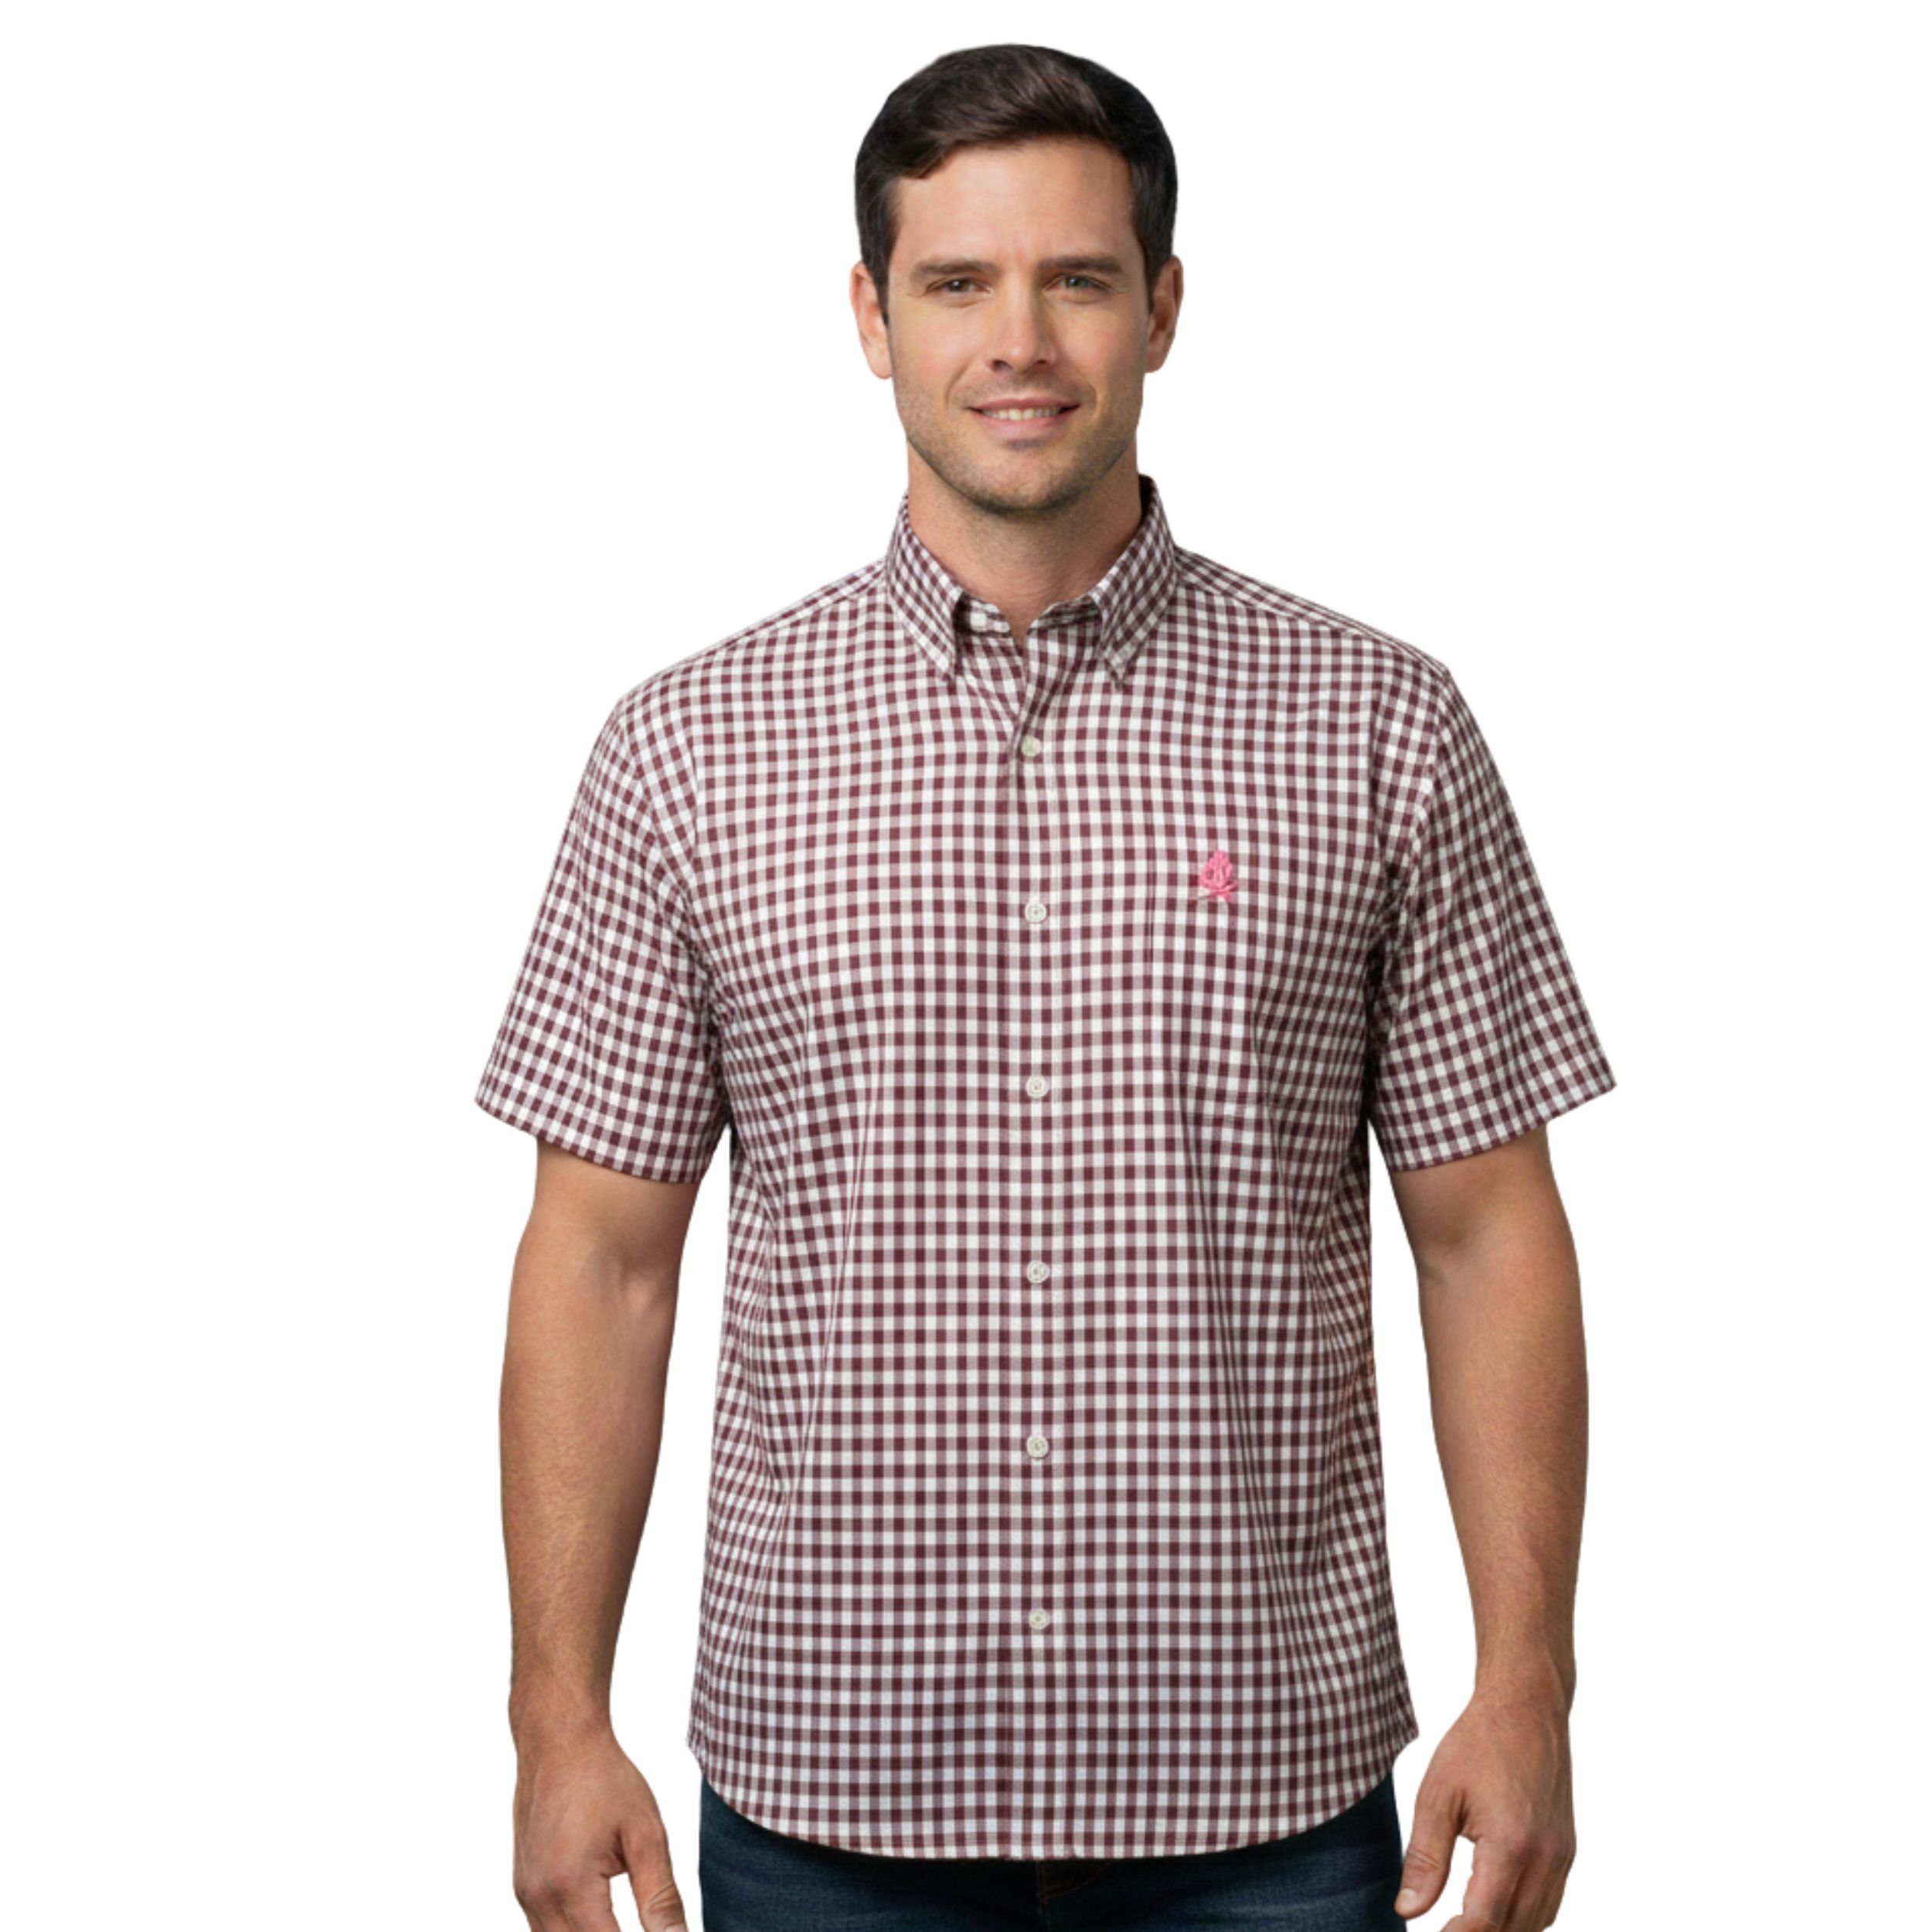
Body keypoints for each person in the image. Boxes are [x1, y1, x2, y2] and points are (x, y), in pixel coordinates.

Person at [475, 41, 1615, 1932]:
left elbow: (1487, 1231)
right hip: (826, 1795)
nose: (1018, 341)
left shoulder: (1375, 728)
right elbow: (600, 1260)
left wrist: (1528, 1684)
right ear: (870, 318)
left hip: (1262, 1796)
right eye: (956, 282)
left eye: (1075, 279)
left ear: (1160, 308)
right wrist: (551, 1717)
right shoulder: (685, 752)